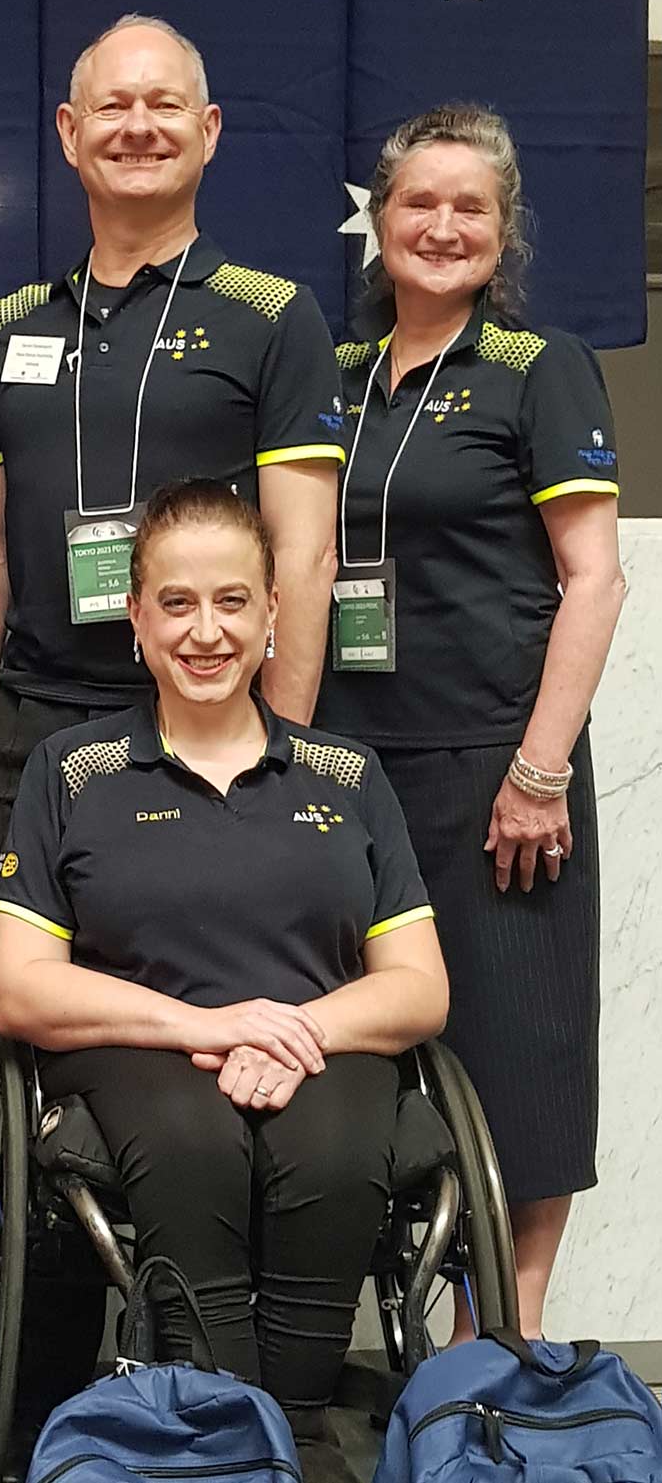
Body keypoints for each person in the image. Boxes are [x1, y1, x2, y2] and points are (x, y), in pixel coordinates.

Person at [0, 479, 447, 1480]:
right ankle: (214, 1435)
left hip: (321, 1050)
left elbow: (416, 988)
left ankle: (293, 1431)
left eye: (232, 601)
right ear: (136, 616)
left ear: (273, 611)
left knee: (330, 1145)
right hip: (132, 1052)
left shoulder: (344, 773)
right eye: (178, 602)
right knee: (190, 1138)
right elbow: (17, 989)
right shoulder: (72, 771)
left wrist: (292, 1031)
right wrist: (200, 1022)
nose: (205, 630)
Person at [314, 104, 626, 1341]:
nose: (440, 227)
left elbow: (592, 579)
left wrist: (538, 769)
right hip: (347, 769)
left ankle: (500, 1336)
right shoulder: (334, 377)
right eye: (416, 204)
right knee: (362, 1051)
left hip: (498, 770)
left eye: (469, 209)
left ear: (503, 235)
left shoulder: (537, 366)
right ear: (378, 223)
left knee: (519, 1058)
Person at [0, 15, 346, 872]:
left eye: (165, 105)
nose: (138, 127)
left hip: (209, 726)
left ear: (208, 133)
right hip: (33, 729)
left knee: (204, 995)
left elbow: (306, 557)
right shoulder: (9, 325)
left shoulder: (274, 317)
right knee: (32, 998)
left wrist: (286, 757)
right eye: (113, 106)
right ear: (69, 132)